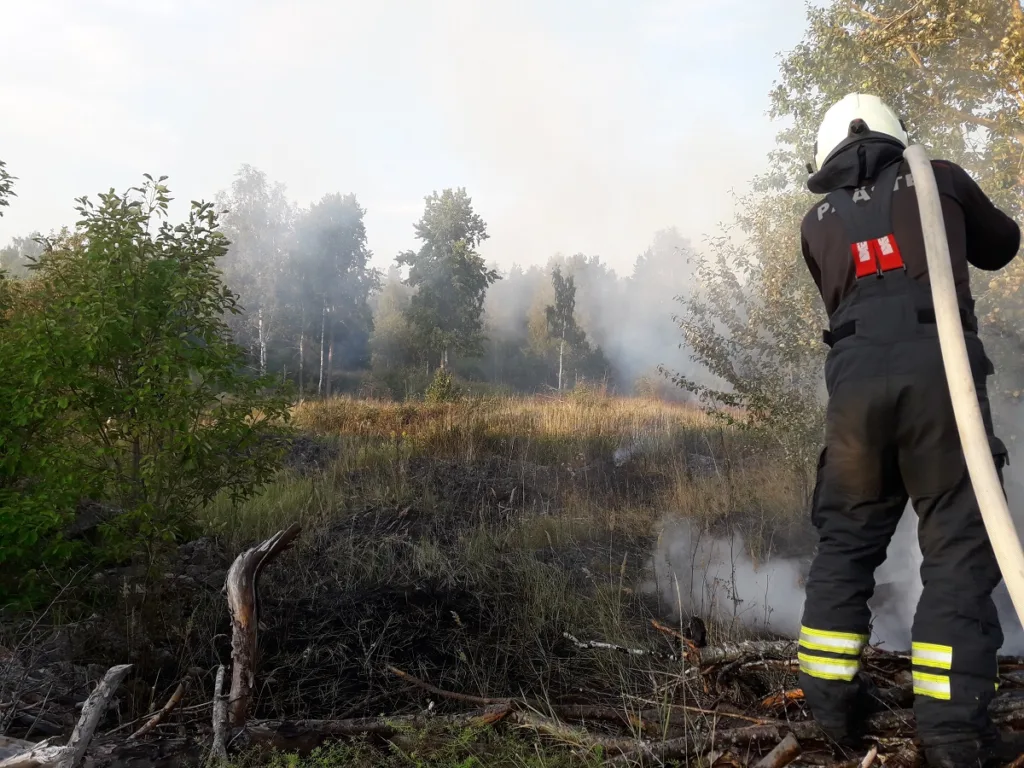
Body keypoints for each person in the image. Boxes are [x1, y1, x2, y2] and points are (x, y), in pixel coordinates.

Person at [797, 93, 1021, 767]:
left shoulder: (815, 221)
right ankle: (953, 736)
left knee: (845, 545)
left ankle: (829, 719)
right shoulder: (940, 178)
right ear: (897, 136)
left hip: (855, 388)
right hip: (939, 376)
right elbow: (1004, 243)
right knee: (956, 550)